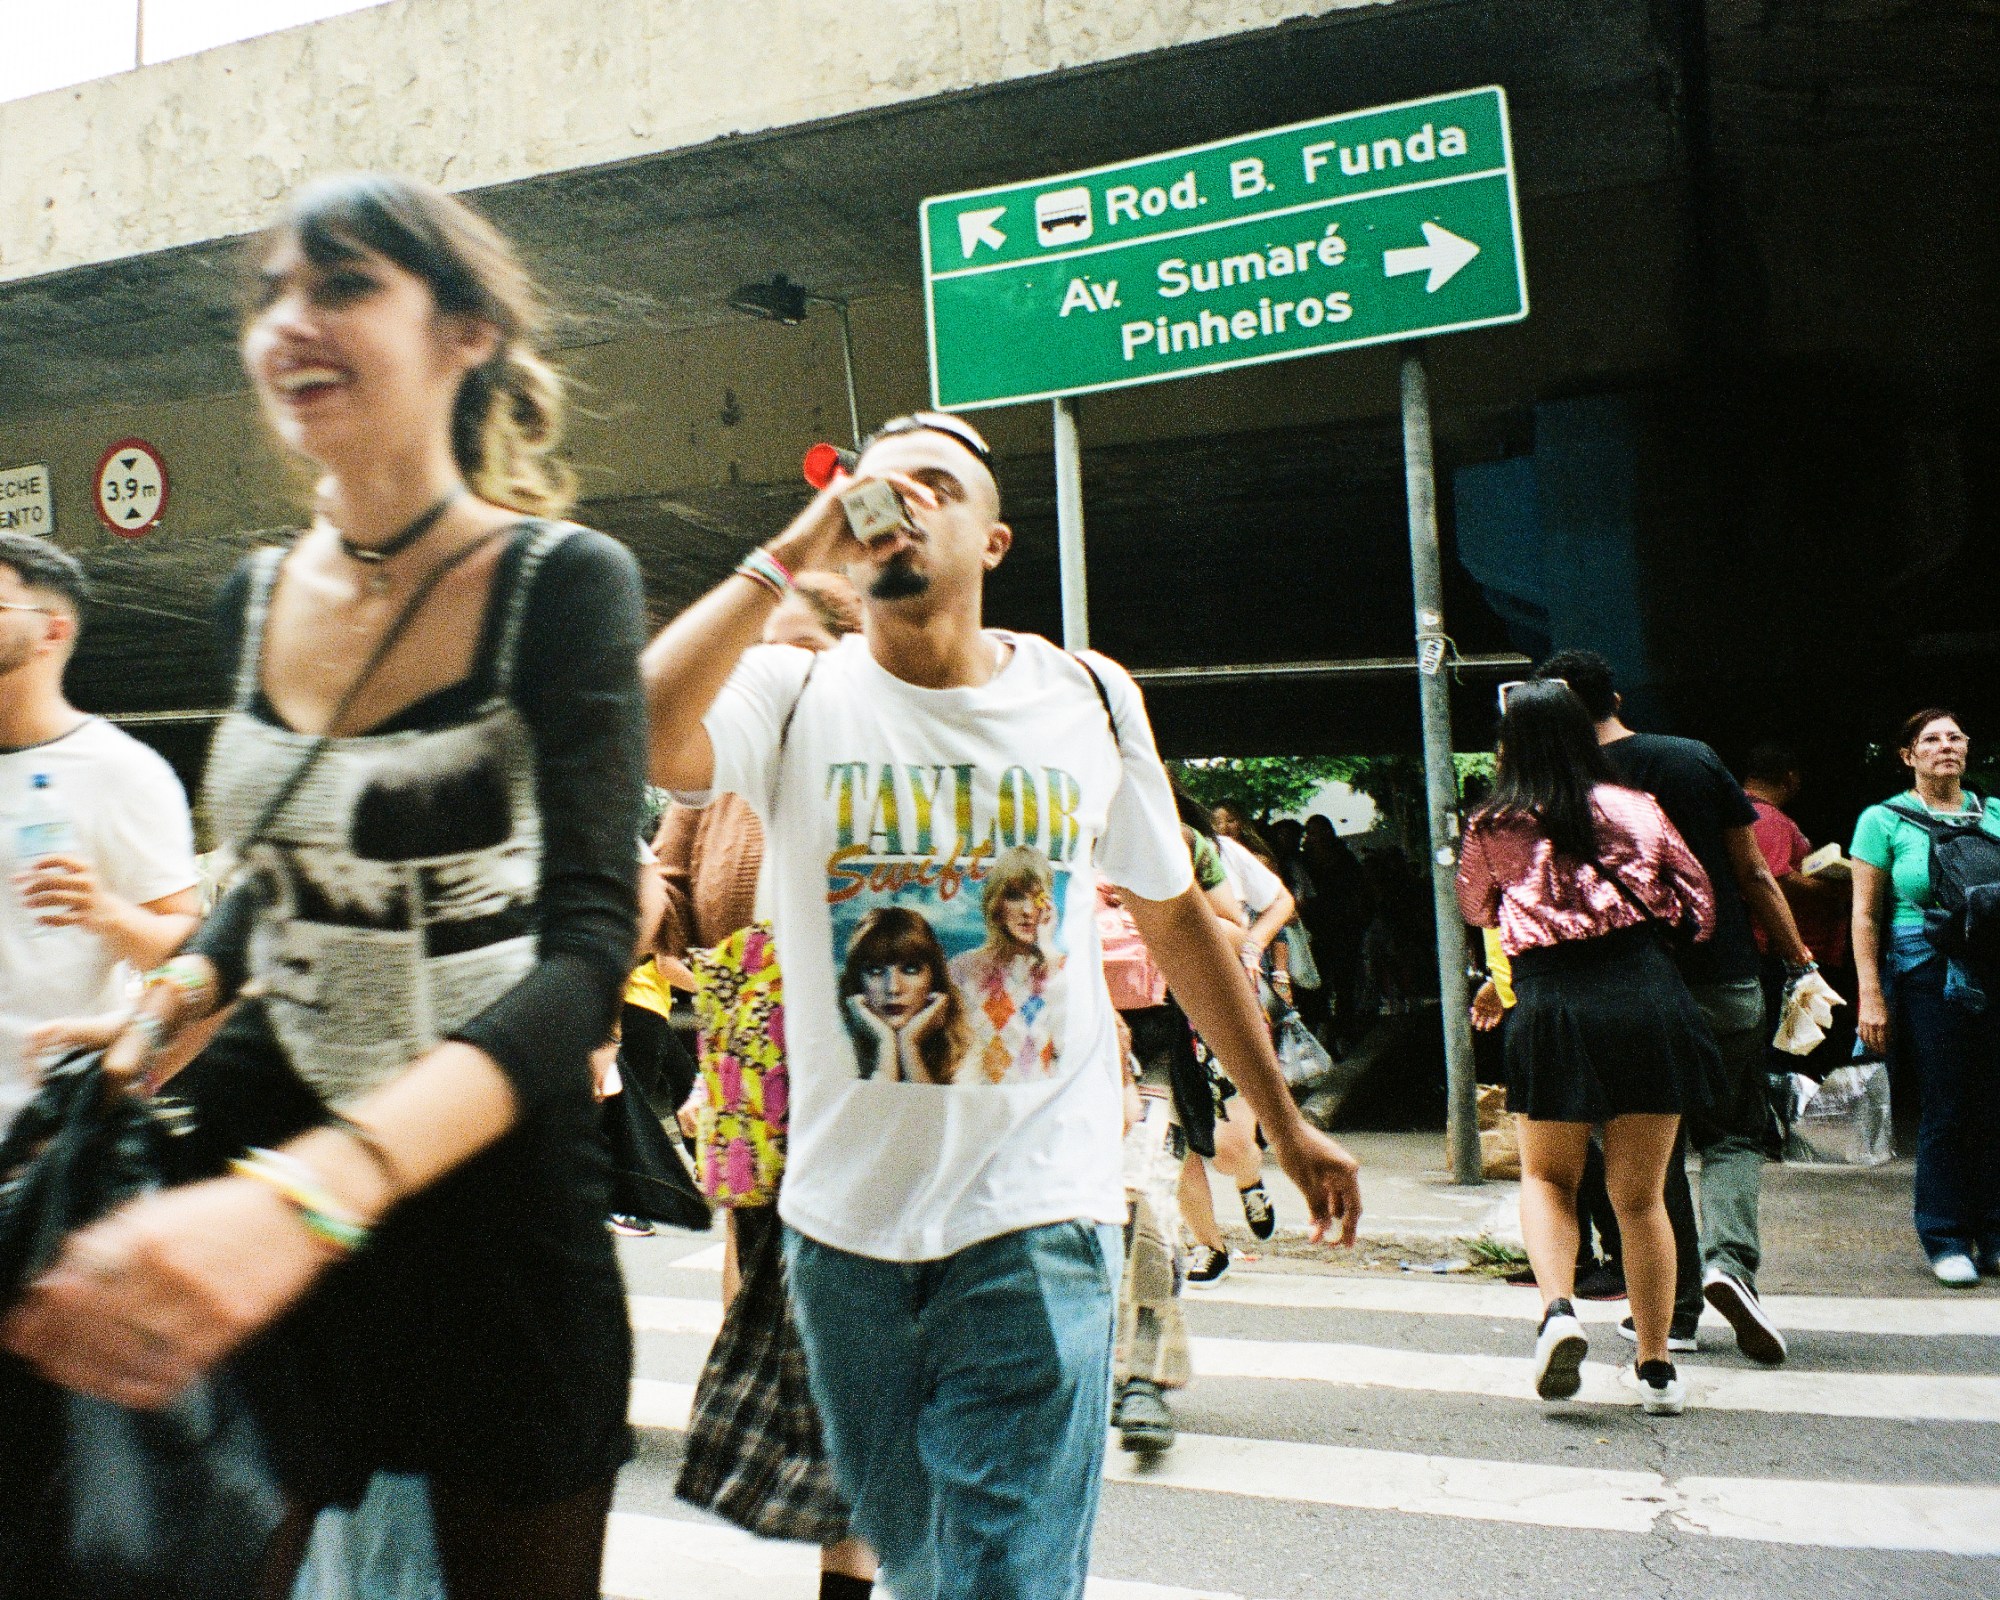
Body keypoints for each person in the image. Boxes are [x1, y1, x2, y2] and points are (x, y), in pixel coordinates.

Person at [3, 174, 645, 1600]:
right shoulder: (247, 600)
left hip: (494, 1207)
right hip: (255, 1149)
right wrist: (163, 1003)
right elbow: (276, 883)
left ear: (466, 331)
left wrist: (311, 1198)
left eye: (343, 285)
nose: (290, 322)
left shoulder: (561, 583)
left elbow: (589, 948)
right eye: (269, 295)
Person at [643, 408, 1362, 1600]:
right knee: (924, 1565)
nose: (902, 502)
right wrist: (793, 549)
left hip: (1036, 1218)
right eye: (880, 488)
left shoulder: (1084, 696)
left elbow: (1175, 915)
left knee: (1002, 1582)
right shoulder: (789, 691)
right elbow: (640, 718)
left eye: (935, 484)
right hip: (842, 1240)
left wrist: (1281, 1122)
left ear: (994, 540)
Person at [662, 572, 879, 1598]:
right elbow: (664, 893)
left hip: (857, 1070)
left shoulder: (877, 763)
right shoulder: (719, 771)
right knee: (776, 1318)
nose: (772, 670)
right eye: (761, 651)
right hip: (745, 1059)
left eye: (797, 647)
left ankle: (864, 1562)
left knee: (851, 1339)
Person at [1536, 650, 1817, 1367]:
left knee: (1642, 1157)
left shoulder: (1558, 782)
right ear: (1617, 697)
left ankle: (1678, 1308)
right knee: (1732, 1133)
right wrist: (1799, 958)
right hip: (1722, 978)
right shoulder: (1692, 760)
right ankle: (1732, 1266)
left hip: (1620, 992)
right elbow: (1752, 870)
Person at [1457, 680, 1719, 1415]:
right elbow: (1698, 907)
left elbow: (1475, 907)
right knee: (1641, 1198)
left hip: (1551, 1004)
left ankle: (1559, 1313)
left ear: (1506, 745)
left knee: (1548, 1180)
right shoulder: (1638, 808)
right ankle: (1658, 1367)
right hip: (1645, 997)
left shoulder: (1492, 823)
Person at [1, 532, 201, 1133]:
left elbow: (195, 959)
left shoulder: (120, 771)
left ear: (53, 632)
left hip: (42, 1137)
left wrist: (105, 912)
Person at [1851, 708, 2000, 1286]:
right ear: (1907, 755)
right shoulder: (1883, 820)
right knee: (1948, 1103)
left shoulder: (1993, 815)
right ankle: (1944, 1236)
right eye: (1931, 739)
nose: (1946, 746)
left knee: (1994, 1101)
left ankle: (1993, 1231)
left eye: (1955, 736)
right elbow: (1865, 915)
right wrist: (1870, 994)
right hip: (1927, 971)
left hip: (1993, 967)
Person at [1741, 741, 1854, 1077]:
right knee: (1790, 1050)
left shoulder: (1745, 813)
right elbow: (1774, 876)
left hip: (1779, 951)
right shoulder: (1767, 816)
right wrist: (1833, 889)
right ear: (1790, 778)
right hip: (1784, 953)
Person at [950, 844, 1067, 1082]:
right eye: (1014, 896)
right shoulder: (963, 969)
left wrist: (1049, 955)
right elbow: (955, 1054)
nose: (1027, 910)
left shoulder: (1059, 968)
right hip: (980, 1105)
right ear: (997, 905)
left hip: (1039, 1104)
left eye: (1036, 898)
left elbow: (1070, 1048)